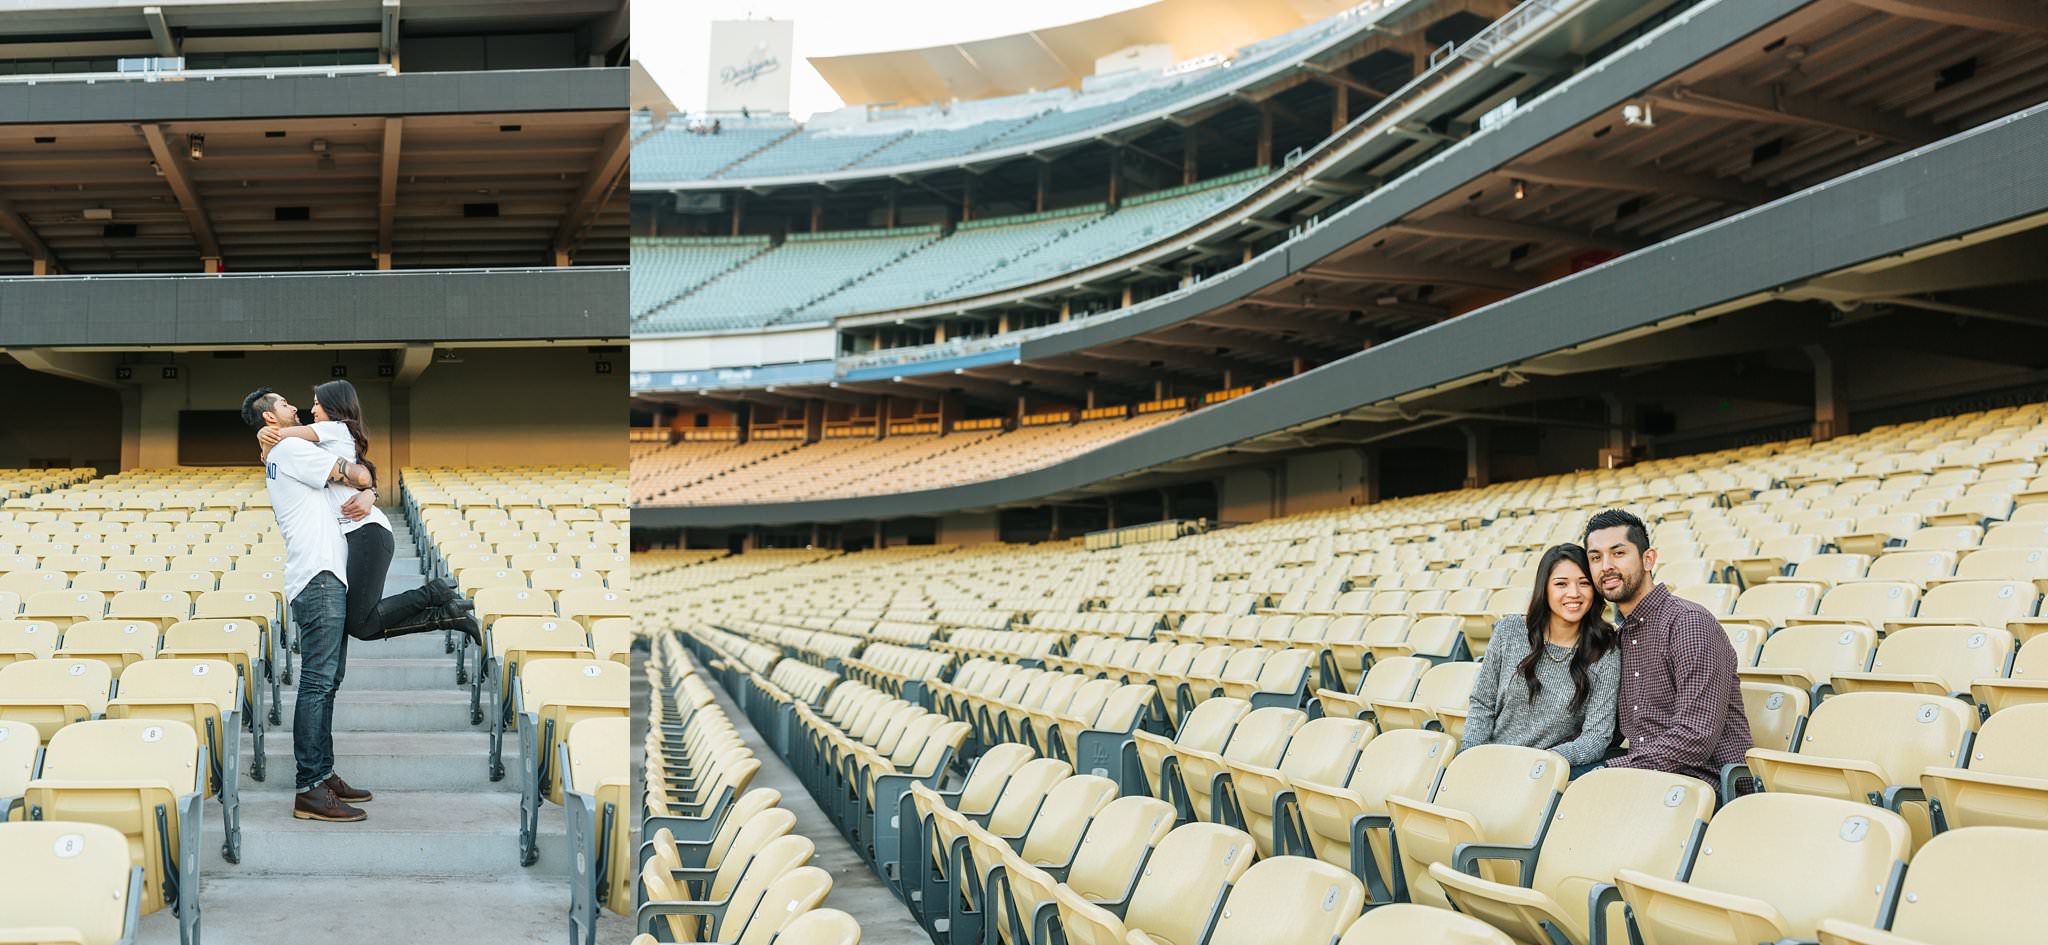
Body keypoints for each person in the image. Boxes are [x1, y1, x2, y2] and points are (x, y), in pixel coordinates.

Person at [257, 379, 477, 647]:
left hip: (364, 531)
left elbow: (282, 437)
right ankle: (446, 616)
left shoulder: (333, 428)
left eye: (317, 404)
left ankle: (433, 593)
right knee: (362, 625)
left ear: (333, 406)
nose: (311, 410)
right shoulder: (326, 437)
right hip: (358, 532)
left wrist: (264, 437)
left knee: (361, 623)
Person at [243, 387, 373, 823]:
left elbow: (357, 481)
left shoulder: (287, 449)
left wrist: (368, 489)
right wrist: (365, 483)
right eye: (283, 405)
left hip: (327, 573)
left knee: (328, 681)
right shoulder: (291, 449)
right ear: (269, 421)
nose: (294, 408)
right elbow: (355, 475)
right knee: (318, 683)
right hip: (318, 578)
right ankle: (309, 789)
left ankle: (324, 773)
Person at [1582, 508, 1752, 791]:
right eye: (1595, 558)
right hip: (1649, 774)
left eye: (1618, 553)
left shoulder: (1688, 623)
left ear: (1648, 559)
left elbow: (1694, 737)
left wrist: (1610, 771)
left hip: (1707, 783)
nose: (1606, 566)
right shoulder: (1619, 636)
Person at [1460, 543, 1620, 778]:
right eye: (1561, 584)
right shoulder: (1509, 631)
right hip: (1489, 764)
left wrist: (1539, 764)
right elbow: (1482, 704)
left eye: (1584, 583)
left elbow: (1596, 738)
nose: (1574, 593)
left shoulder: (1606, 651)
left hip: (1540, 775)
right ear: (1544, 589)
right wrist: (1471, 758)